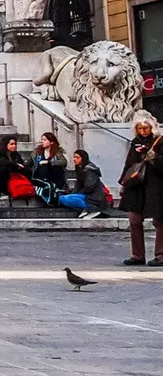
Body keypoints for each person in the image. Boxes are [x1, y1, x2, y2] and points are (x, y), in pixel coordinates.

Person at [120, 112, 161, 266]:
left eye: (146, 128)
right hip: (136, 185)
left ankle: (160, 255)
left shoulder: (159, 141)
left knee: (159, 220)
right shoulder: (134, 142)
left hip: (155, 185)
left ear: (152, 127)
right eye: (140, 128)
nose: (143, 131)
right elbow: (129, 164)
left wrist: (151, 156)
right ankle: (137, 255)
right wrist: (123, 183)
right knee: (134, 220)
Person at [54, 147, 111, 218]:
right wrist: (73, 193)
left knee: (67, 198)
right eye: (74, 157)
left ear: (83, 158)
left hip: (93, 197)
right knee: (62, 198)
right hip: (85, 195)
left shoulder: (90, 170)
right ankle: (86, 210)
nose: (74, 159)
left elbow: (89, 187)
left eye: (77, 157)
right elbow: (78, 185)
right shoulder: (79, 169)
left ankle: (92, 209)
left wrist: (77, 194)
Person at [0, 133, 34, 205]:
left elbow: (21, 163)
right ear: (6, 144)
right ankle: (0, 191)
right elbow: (3, 162)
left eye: (15, 144)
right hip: (0, 177)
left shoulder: (15, 154)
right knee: (4, 170)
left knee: (27, 170)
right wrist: (16, 165)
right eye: (12, 144)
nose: (14, 146)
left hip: (13, 174)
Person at [32, 132, 70, 197]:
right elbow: (30, 163)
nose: (42, 142)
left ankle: (56, 187)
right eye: (42, 139)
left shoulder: (57, 152)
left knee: (56, 167)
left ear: (51, 142)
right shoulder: (37, 151)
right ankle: (47, 185)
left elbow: (64, 162)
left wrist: (49, 162)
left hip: (53, 175)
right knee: (44, 166)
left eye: (45, 140)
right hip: (40, 175)